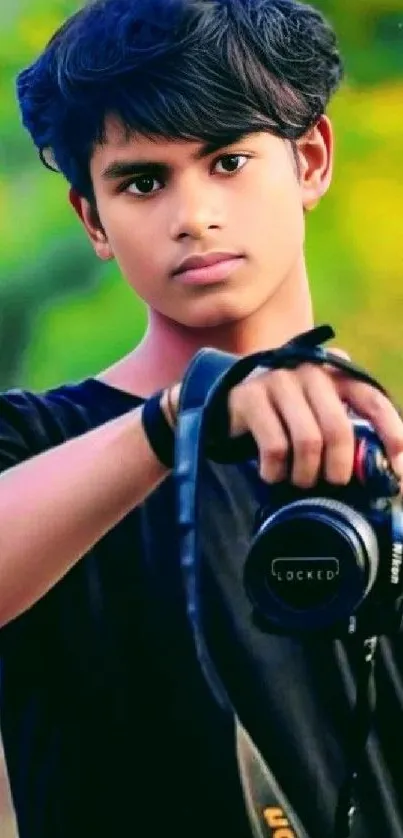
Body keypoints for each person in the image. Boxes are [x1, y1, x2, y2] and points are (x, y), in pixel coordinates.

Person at [1, 0, 402, 836]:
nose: (193, 216)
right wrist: (177, 418)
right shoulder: (35, 447)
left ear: (310, 160)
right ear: (92, 219)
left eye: (227, 161)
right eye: (142, 181)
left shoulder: (385, 446)